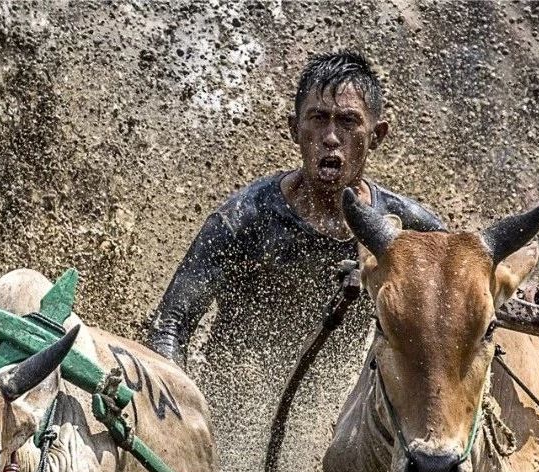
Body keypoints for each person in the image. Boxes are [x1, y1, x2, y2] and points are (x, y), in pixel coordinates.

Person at [147, 50, 443, 371]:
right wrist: (178, 406)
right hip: (228, 403)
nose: (331, 137)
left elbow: (459, 310)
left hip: (342, 415)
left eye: (348, 121)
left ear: (376, 135)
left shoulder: (412, 230)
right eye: (317, 119)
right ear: (294, 129)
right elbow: (169, 327)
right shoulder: (242, 219)